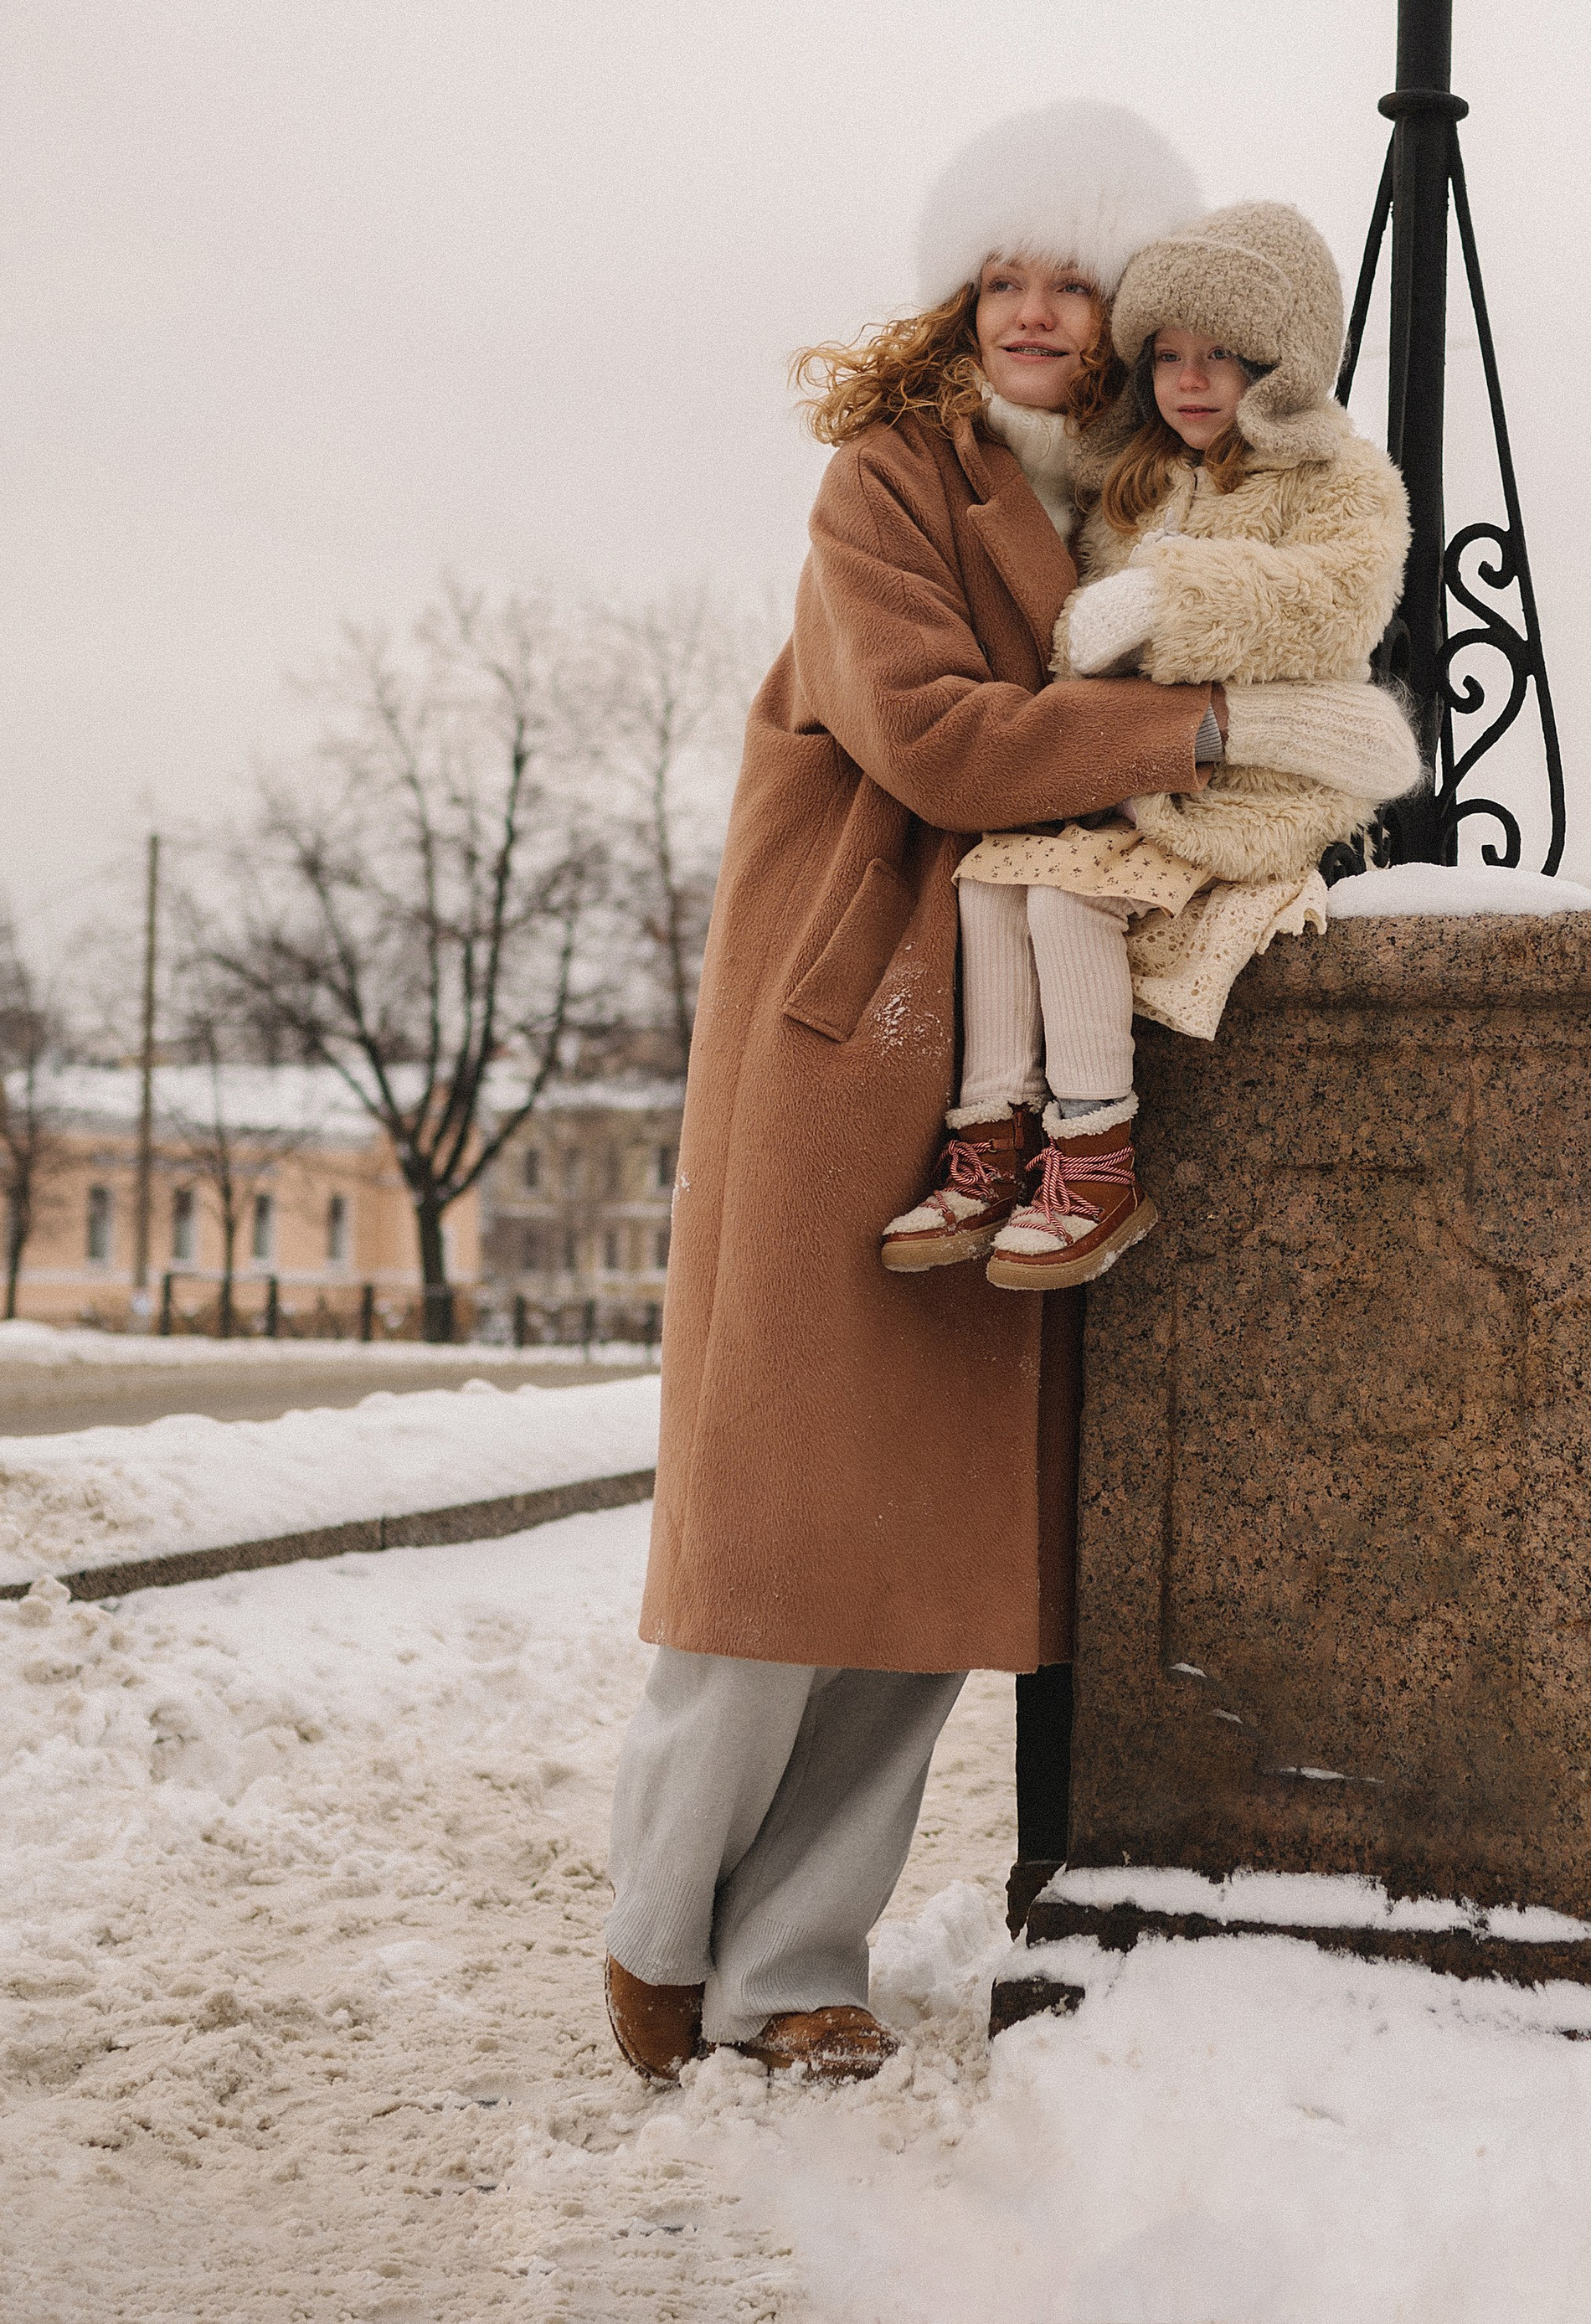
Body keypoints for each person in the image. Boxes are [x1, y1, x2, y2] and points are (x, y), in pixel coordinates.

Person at [604, 103, 1238, 2088]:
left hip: (1027, 1075)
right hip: (848, 1042)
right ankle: (660, 1924)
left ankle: (794, 1962)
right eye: (1003, 276)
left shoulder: (1153, 501)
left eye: (1074, 281)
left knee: (927, 1564)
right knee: (779, 1536)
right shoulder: (883, 483)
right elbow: (945, 744)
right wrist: (1205, 724)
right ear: (961, 290)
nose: (1034, 312)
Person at [882, 197, 1419, 1296]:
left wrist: (1166, 597)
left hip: (1253, 783)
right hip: (1146, 767)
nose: (1188, 379)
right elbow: (1086, 614)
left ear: (1284, 360)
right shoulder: (1141, 475)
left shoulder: (1333, 478)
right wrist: (1105, 618)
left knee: (1062, 900)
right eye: (1168, 354)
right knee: (991, 881)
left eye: (1221, 355)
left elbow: (1342, 598)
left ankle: (1095, 1155)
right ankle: (990, 1136)